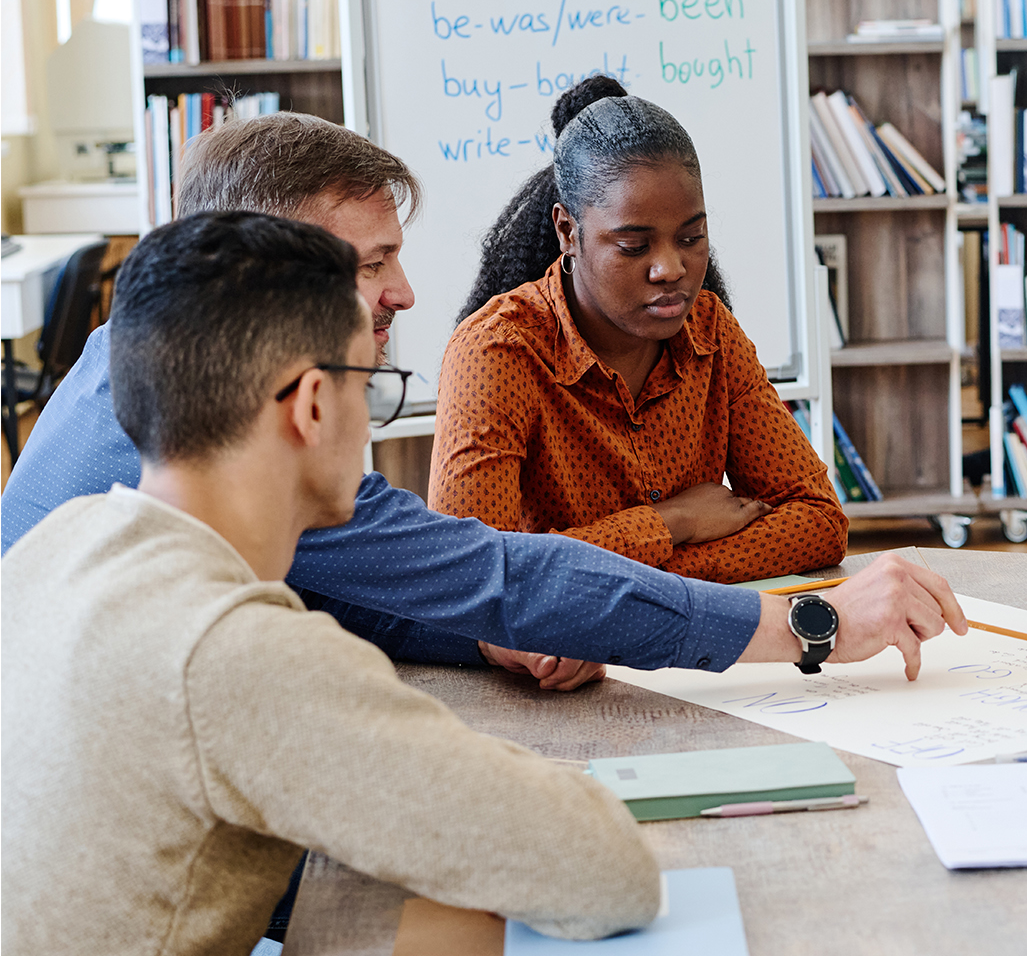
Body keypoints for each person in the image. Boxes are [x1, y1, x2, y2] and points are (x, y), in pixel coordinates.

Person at [0, 112, 959, 688]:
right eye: (373, 263)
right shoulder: (236, 430)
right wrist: (812, 627)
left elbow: (360, 590)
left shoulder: (125, 360)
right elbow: (493, 570)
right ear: (264, 270)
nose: (406, 295)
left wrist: (497, 640)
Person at [1, 212, 666, 954]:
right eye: (372, 384)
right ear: (314, 405)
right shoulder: (233, 649)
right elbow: (608, 872)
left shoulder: (54, 547)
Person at [432, 78, 845, 583]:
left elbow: (819, 521)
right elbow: (474, 574)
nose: (671, 268)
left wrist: (646, 579)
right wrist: (674, 521)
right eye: (633, 246)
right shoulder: (497, 351)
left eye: (691, 238)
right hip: (556, 658)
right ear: (568, 232)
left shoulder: (711, 328)